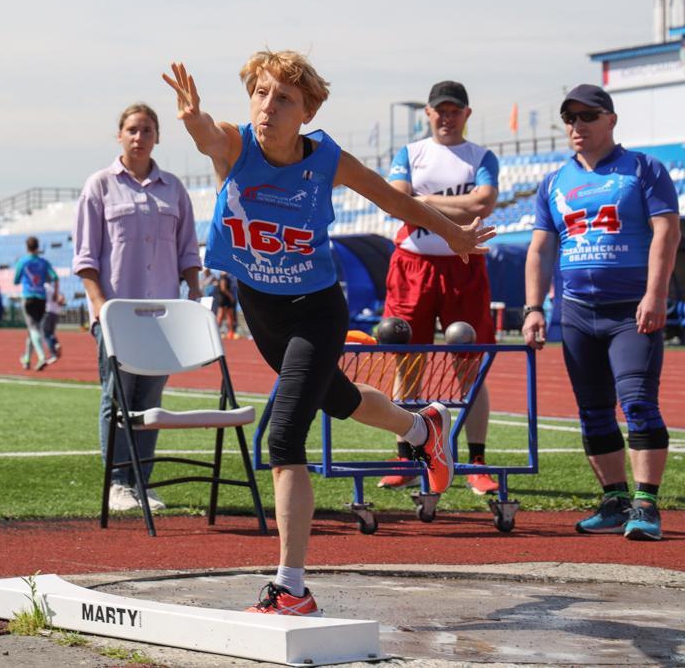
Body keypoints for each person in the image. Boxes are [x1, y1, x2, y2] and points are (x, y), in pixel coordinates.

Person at [164, 52, 492, 615]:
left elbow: (398, 201)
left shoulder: (328, 160)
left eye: (283, 98)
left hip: (316, 309)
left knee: (284, 439)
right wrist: (192, 115)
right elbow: (205, 136)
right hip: (260, 309)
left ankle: (292, 588)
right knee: (339, 399)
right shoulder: (235, 146)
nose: (268, 107)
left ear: (308, 110)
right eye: (261, 94)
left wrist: (456, 236)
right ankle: (423, 427)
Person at [524, 84, 680, 542]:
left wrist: (655, 295)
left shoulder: (643, 169)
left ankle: (647, 504)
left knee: (636, 402)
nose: (578, 126)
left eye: (587, 116)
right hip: (575, 311)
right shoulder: (554, 181)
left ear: (611, 120)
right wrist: (535, 308)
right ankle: (614, 500)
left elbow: (666, 234)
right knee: (593, 410)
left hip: (630, 310)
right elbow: (540, 248)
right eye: (570, 118)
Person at [74, 103, 202, 514]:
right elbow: (86, 256)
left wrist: (195, 293)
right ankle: (117, 481)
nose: (139, 136)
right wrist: (99, 307)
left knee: (150, 403)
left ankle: (141, 482)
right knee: (117, 400)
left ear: (157, 136)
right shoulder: (100, 186)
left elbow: (187, 248)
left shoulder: (173, 189)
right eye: (132, 129)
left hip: (162, 316)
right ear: (120, 135)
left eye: (147, 129)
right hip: (116, 314)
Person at [377, 80, 501, 495]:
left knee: (470, 368)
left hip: (464, 267)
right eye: (439, 111)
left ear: (467, 114)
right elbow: (396, 197)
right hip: (413, 264)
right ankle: (406, 458)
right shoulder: (410, 153)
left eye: (454, 111)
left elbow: (483, 203)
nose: (446, 118)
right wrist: (447, 202)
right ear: (427, 114)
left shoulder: (481, 156)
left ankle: (476, 462)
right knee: (406, 361)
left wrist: (422, 201)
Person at [13, 237, 59, 371]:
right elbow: (54, 277)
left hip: (28, 297)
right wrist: (55, 293)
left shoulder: (23, 261)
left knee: (33, 329)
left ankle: (41, 356)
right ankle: (27, 359)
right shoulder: (43, 262)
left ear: (27, 247)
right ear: (38, 247)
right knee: (32, 330)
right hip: (41, 298)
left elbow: (16, 280)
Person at [42, 280, 64, 361]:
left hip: (47, 311)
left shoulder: (44, 287)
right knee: (51, 333)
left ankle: (53, 353)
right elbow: (62, 299)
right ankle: (56, 344)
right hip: (55, 312)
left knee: (46, 334)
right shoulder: (54, 288)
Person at [214, 270, 239, 339]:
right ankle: (214, 331)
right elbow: (223, 288)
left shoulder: (226, 277)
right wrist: (230, 296)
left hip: (226, 299)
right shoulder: (223, 278)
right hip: (223, 299)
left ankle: (231, 333)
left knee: (230, 316)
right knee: (220, 316)